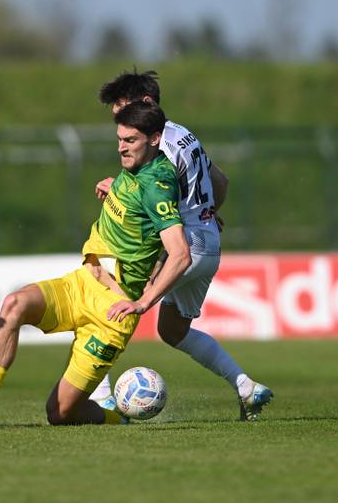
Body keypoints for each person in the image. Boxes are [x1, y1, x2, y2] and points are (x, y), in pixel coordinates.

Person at [0, 101, 191, 430]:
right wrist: (114, 193)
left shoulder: (157, 186)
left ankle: (118, 420)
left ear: (154, 139)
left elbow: (180, 254)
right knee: (14, 305)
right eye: (119, 139)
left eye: (130, 140)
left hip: (111, 315)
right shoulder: (135, 166)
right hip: (81, 283)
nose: (121, 147)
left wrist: (143, 303)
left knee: (60, 415)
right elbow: (138, 212)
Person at [89, 69, 273, 421]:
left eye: (124, 113)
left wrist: (119, 192)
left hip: (180, 247)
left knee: (109, 297)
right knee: (172, 331)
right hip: (208, 245)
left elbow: (154, 205)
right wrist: (205, 211)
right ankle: (246, 387)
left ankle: (104, 401)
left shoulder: (158, 152)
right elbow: (220, 180)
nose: (121, 126)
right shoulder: (184, 135)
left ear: (145, 104)